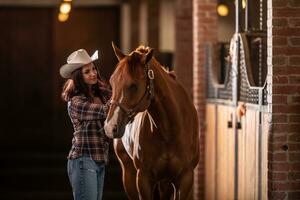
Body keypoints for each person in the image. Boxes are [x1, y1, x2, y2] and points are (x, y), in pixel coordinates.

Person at [60, 49, 111, 200]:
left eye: (94, 69)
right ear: (79, 77)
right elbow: (105, 111)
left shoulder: (100, 95)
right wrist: (121, 98)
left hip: (99, 159)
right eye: (87, 72)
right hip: (83, 159)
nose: (93, 73)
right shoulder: (76, 101)